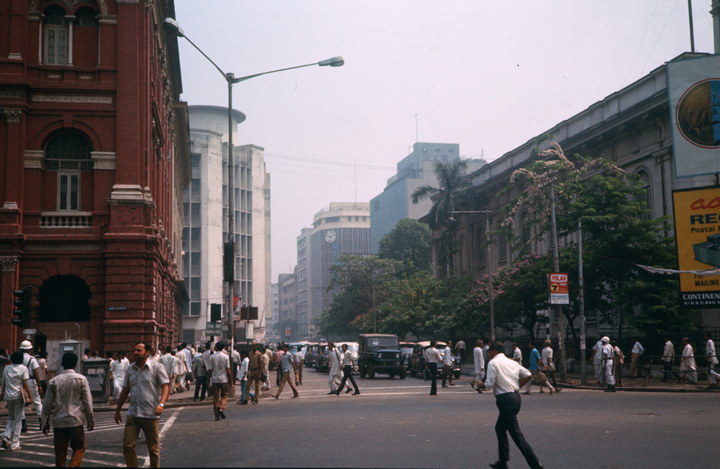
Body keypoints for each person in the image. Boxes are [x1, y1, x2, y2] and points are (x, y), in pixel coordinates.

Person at [480, 341, 544, 469]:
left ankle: (535, 463)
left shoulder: (493, 363)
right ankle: (502, 461)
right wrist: (518, 386)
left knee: (515, 433)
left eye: (489, 351)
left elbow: (488, 384)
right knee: (500, 428)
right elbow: (528, 374)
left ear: (494, 350)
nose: (488, 353)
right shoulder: (512, 362)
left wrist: (478, 383)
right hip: (515, 397)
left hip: (505, 400)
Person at [114, 342, 170, 468]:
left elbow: (166, 387)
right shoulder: (130, 369)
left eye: (139, 350)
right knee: (128, 446)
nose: (135, 353)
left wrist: (161, 404)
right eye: (134, 350)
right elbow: (125, 390)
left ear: (147, 352)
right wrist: (118, 410)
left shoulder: (156, 367)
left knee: (153, 448)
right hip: (133, 414)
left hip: (150, 414)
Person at [41, 352, 94, 467]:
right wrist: (90, 420)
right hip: (76, 420)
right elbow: (88, 402)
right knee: (79, 448)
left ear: (62, 364)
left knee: (60, 453)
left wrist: (45, 422)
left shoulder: (54, 381)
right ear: (75, 364)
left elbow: (47, 404)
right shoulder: (81, 379)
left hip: (59, 421)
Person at [1, 351, 31, 451]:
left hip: (8, 396)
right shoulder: (23, 369)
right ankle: (14, 443)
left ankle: (6, 436)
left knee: (10, 417)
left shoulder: (6, 368)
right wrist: (30, 395)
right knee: (18, 420)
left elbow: (4, 383)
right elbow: (25, 383)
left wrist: (2, 394)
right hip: (19, 396)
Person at [19, 340, 43, 431]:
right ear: (29, 349)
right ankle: (42, 422)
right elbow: (36, 373)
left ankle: (23, 425)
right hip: (30, 381)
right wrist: (39, 385)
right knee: (37, 402)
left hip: (20, 382)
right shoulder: (32, 359)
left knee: (21, 403)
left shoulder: (18, 358)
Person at [209, 342, 232, 420]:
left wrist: (208, 379)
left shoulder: (212, 357)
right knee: (225, 395)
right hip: (223, 379)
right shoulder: (225, 357)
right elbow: (228, 370)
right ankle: (221, 407)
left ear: (216, 347)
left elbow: (210, 370)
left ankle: (216, 415)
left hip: (214, 379)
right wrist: (231, 380)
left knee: (215, 398)